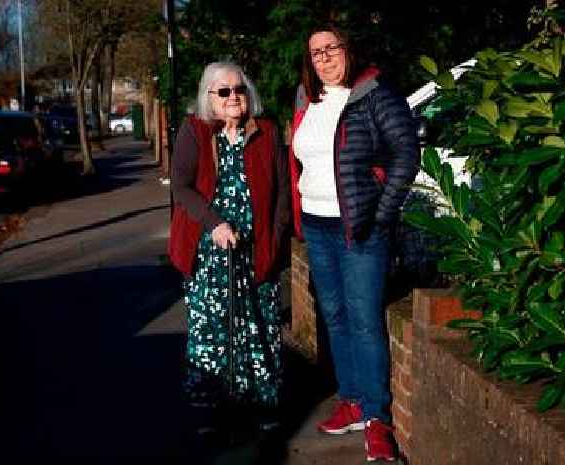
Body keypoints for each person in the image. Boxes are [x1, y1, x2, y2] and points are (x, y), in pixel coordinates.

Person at [289, 24, 419, 462]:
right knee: (335, 315)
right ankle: (353, 400)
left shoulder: (375, 94)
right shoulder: (306, 100)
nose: (323, 59)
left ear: (349, 49)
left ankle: (378, 418)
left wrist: (382, 214)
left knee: (364, 320)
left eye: (331, 49)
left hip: (360, 227)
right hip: (317, 224)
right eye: (315, 53)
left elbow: (407, 154)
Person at [168, 62, 291, 430]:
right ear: (209, 97)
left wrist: (276, 233)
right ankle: (211, 407)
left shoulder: (265, 131)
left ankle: (262, 403)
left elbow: (283, 190)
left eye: (238, 89)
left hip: (257, 249)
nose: (233, 97)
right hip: (210, 251)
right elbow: (182, 186)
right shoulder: (195, 131)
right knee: (211, 329)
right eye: (224, 92)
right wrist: (215, 223)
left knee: (261, 324)